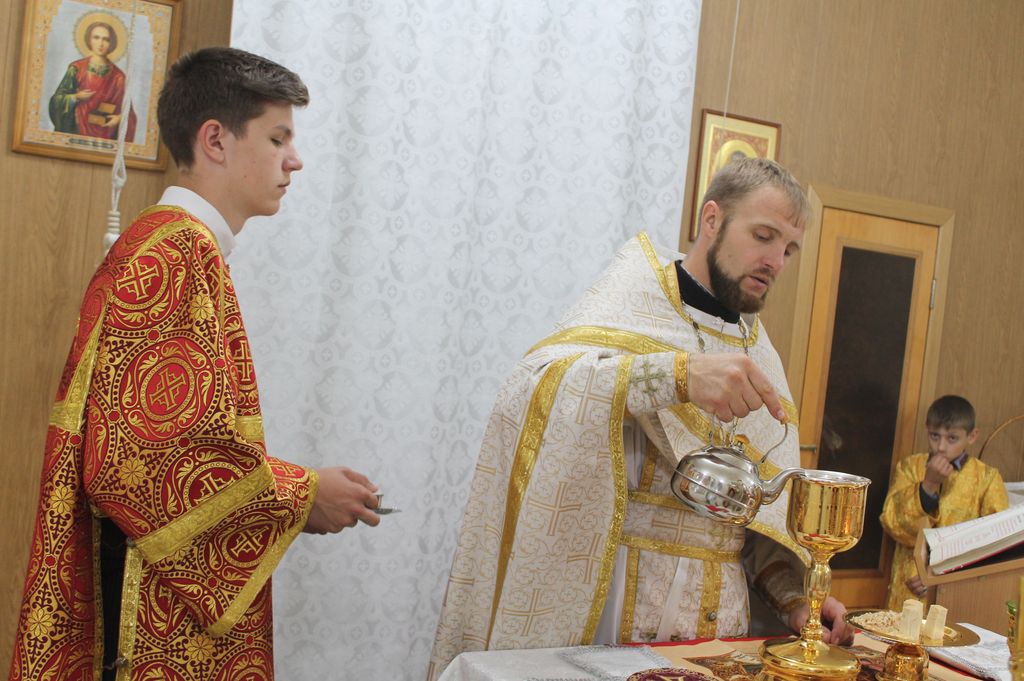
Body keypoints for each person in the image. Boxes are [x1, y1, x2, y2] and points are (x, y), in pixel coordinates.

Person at [9, 47, 382, 681]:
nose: (294, 159)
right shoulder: (174, 253)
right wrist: (303, 494)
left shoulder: (178, 245)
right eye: (277, 138)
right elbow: (137, 459)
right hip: (138, 604)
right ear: (215, 140)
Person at [428, 158, 854, 679]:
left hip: (721, 631)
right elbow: (535, 389)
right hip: (613, 611)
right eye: (763, 236)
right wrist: (677, 376)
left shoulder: (758, 350)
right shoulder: (634, 298)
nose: (775, 261)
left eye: (788, 249)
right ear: (712, 219)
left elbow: (757, 516)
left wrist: (796, 601)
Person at [879, 395, 1008, 610]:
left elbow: (996, 543)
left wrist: (942, 575)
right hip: (909, 590)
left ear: (972, 436)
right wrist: (928, 485)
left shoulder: (987, 479)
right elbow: (892, 523)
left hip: (957, 593)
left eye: (952, 438)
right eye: (934, 436)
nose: (940, 446)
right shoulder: (910, 468)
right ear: (927, 429)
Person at [49, 20, 138, 141]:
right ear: (89, 40)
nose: (101, 43)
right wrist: (76, 97)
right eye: (96, 37)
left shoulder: (118, 77)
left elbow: (129, 113)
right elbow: (57, 100)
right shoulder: (77, 69)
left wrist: (120, 118)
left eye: (106, 39)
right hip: (77, 131)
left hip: (106, 135)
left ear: (112, 43)